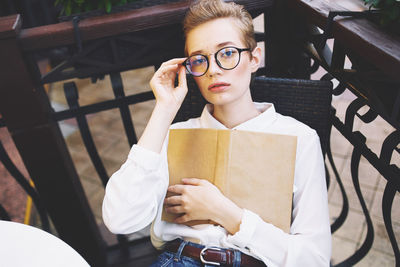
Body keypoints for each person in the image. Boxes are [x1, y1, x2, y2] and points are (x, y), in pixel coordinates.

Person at [102, 0, 331, 266]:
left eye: (227, 53)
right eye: (199, 60)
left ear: (254, 58)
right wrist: (164, 110)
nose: (213, 70)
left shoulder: (299, 138)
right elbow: (119, 219)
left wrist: (224, 212)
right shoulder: (174, 133)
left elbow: (314, 260)